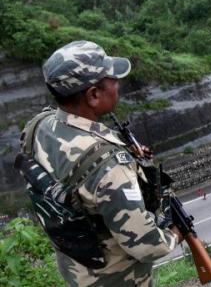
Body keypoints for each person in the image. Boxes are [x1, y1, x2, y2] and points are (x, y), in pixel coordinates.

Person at [23, 41, 182, 286]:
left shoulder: (38, 126)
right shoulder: (110, 167)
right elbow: (147, 246)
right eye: (113, 81)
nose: (117, 85)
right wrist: (173, 234)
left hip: (77, 271)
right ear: (93, 95)